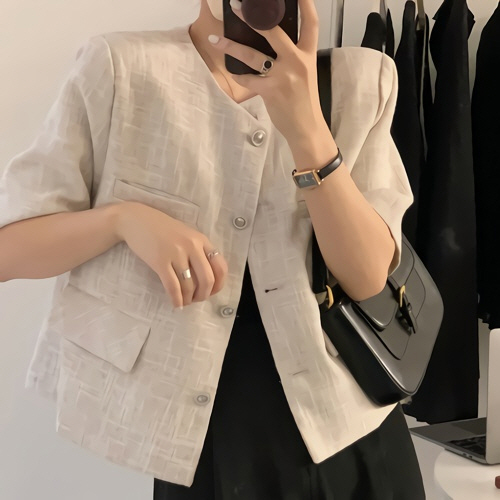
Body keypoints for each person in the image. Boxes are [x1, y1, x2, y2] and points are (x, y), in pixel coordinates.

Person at [0, 0, 425, 498]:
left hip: (348, 435)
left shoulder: (363, 80)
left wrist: (307, 125)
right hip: (204, 445)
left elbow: (369, 278)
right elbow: (11, 249)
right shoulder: (121, 68)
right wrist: (122, 220)